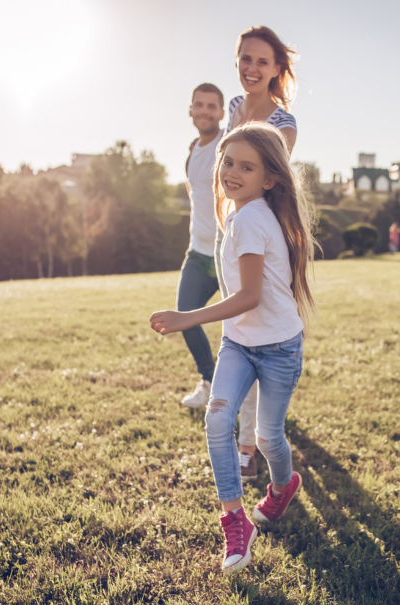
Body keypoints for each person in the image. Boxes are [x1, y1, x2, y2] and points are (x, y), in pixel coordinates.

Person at [150, 122, 317, 574]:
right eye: (228, 162)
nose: (233, 172)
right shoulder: (241, 212)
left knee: (267, 438)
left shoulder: (249, 218)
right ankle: (235, 519)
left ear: (269, 179)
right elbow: (246, 304)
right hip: (240, 345)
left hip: (280, 347)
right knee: (218, 417)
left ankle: (282, 488)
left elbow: (249, 297)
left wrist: (187, 318)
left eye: (247, 166)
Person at [219, 25, 299, 483]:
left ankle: (251, 444)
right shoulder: (233, 107)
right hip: (228, 229)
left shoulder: (283, 124)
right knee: (237, 332)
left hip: (261, 235)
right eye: (245, 59)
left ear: (276, 70)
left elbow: (263, 178)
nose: (251, 68)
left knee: (257, 333)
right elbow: (227, 166)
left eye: (262, 62)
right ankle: (251, 437)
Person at [177, 83, 226, 409]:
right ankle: (209, 382)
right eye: (200, 105)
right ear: (191, 110)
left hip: (228, 253)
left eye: (212, 106)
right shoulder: (193, 150)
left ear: (222, 113)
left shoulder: (229, 143)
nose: (205, 111)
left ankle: (246, 395)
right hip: (198, 252)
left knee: (241, 330)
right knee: (184, 315)